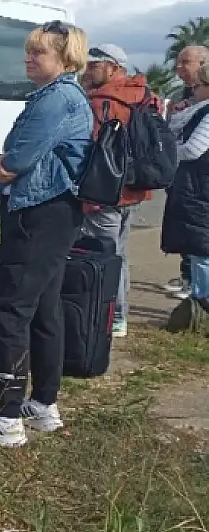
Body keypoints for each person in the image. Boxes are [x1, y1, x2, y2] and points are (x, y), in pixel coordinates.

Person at [0, 20, 92, 447]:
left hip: (38, 213)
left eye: (39, 53)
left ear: (65, 58)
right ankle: (42, 405)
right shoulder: (68, 97)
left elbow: (15, 163)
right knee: (45, 309)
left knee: (11, 311)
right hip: (55, 212)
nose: (28, 58)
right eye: (29, 51)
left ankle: (6, 418)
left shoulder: (56, 100)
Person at [78, 44, 163, 337]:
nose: (87, 70)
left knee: (104, 254)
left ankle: (110, 316)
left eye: (94, 65)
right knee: (120, 253)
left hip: (105, 191)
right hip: (135, 188)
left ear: (113, 67)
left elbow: (89, 148)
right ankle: (119, 316)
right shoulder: (144, 94)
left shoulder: (103, 100)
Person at [161, 62, 209, 329]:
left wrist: (168, 152)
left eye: (198, 86)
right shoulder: (198, 111)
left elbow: (194, 150)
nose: (194, 92)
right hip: (198, 188)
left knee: (202, 251)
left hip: (201, 189)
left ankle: (202, 309)